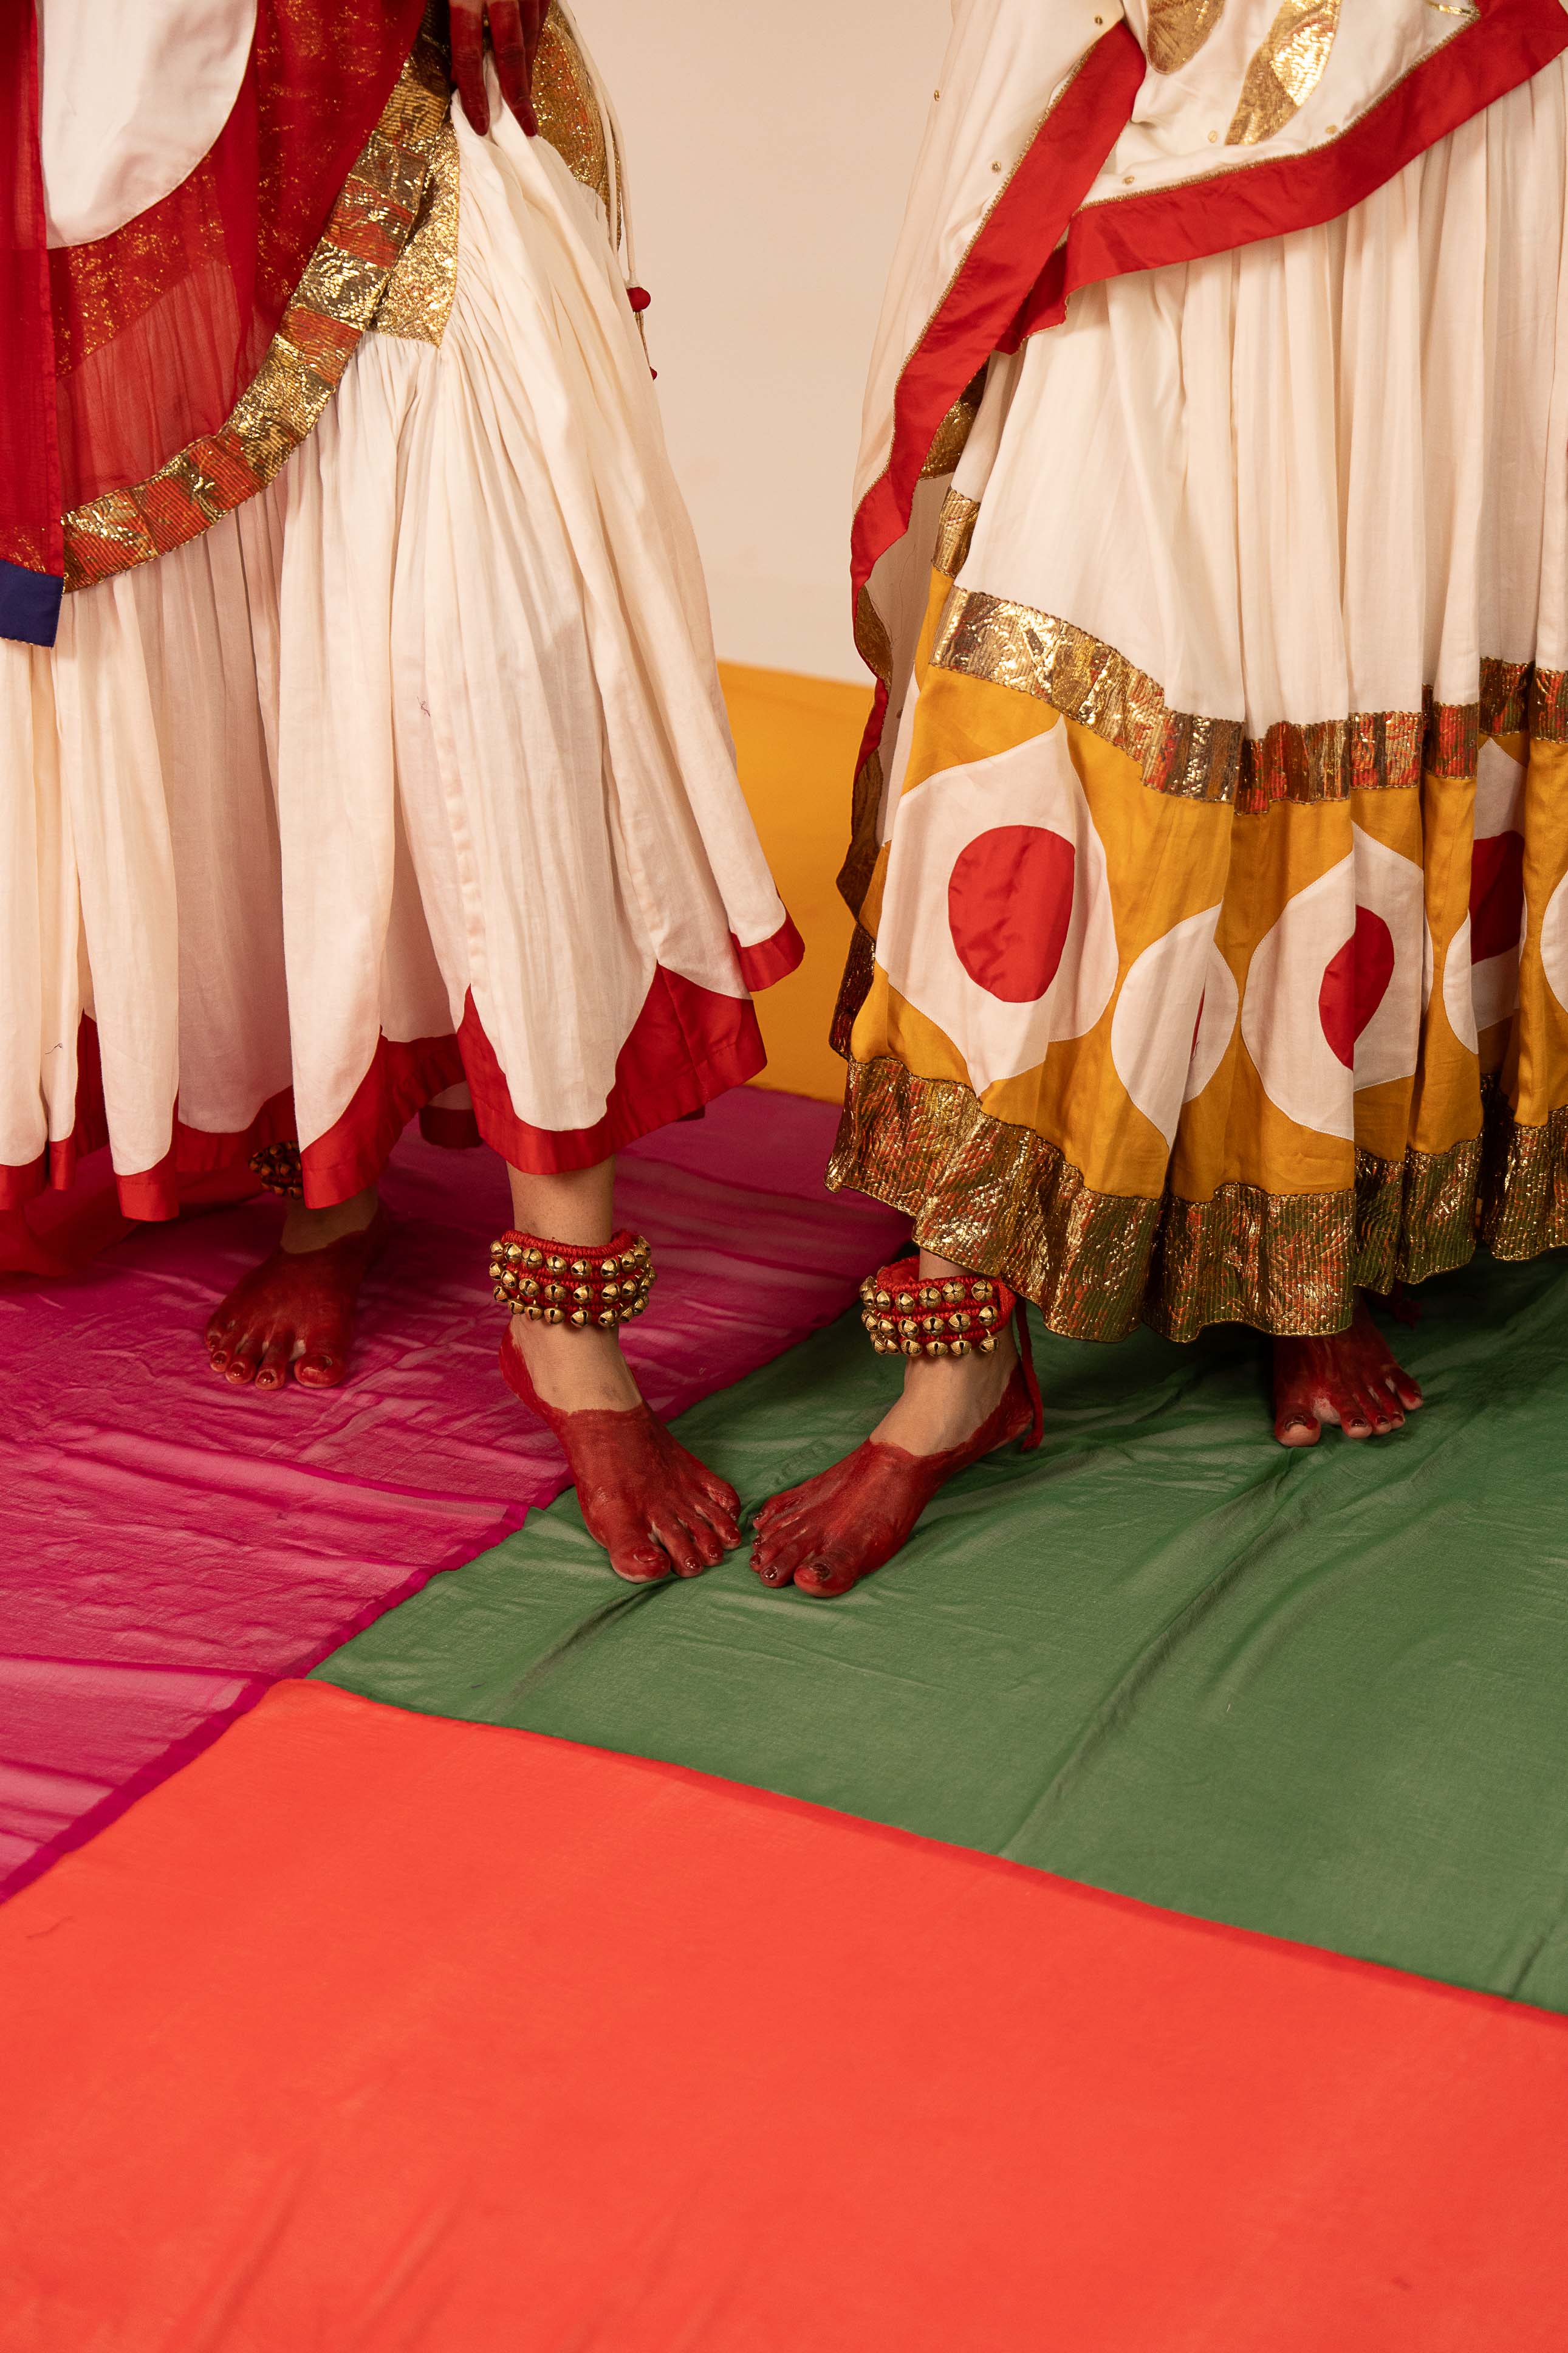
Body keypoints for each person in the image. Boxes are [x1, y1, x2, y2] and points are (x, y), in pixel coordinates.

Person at [751, 0, 1568, 1597]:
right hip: (1151, 110)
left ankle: (1311, 1266)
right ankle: (959, 1362)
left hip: (1460, 117)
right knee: (1074, 678)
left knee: (1376, 626)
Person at [1, 0, 801, 1582]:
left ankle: (566, 1326)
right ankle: (327, 1192)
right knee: (238, 694)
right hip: (120, 119)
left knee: (499, 684)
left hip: (399, 119)